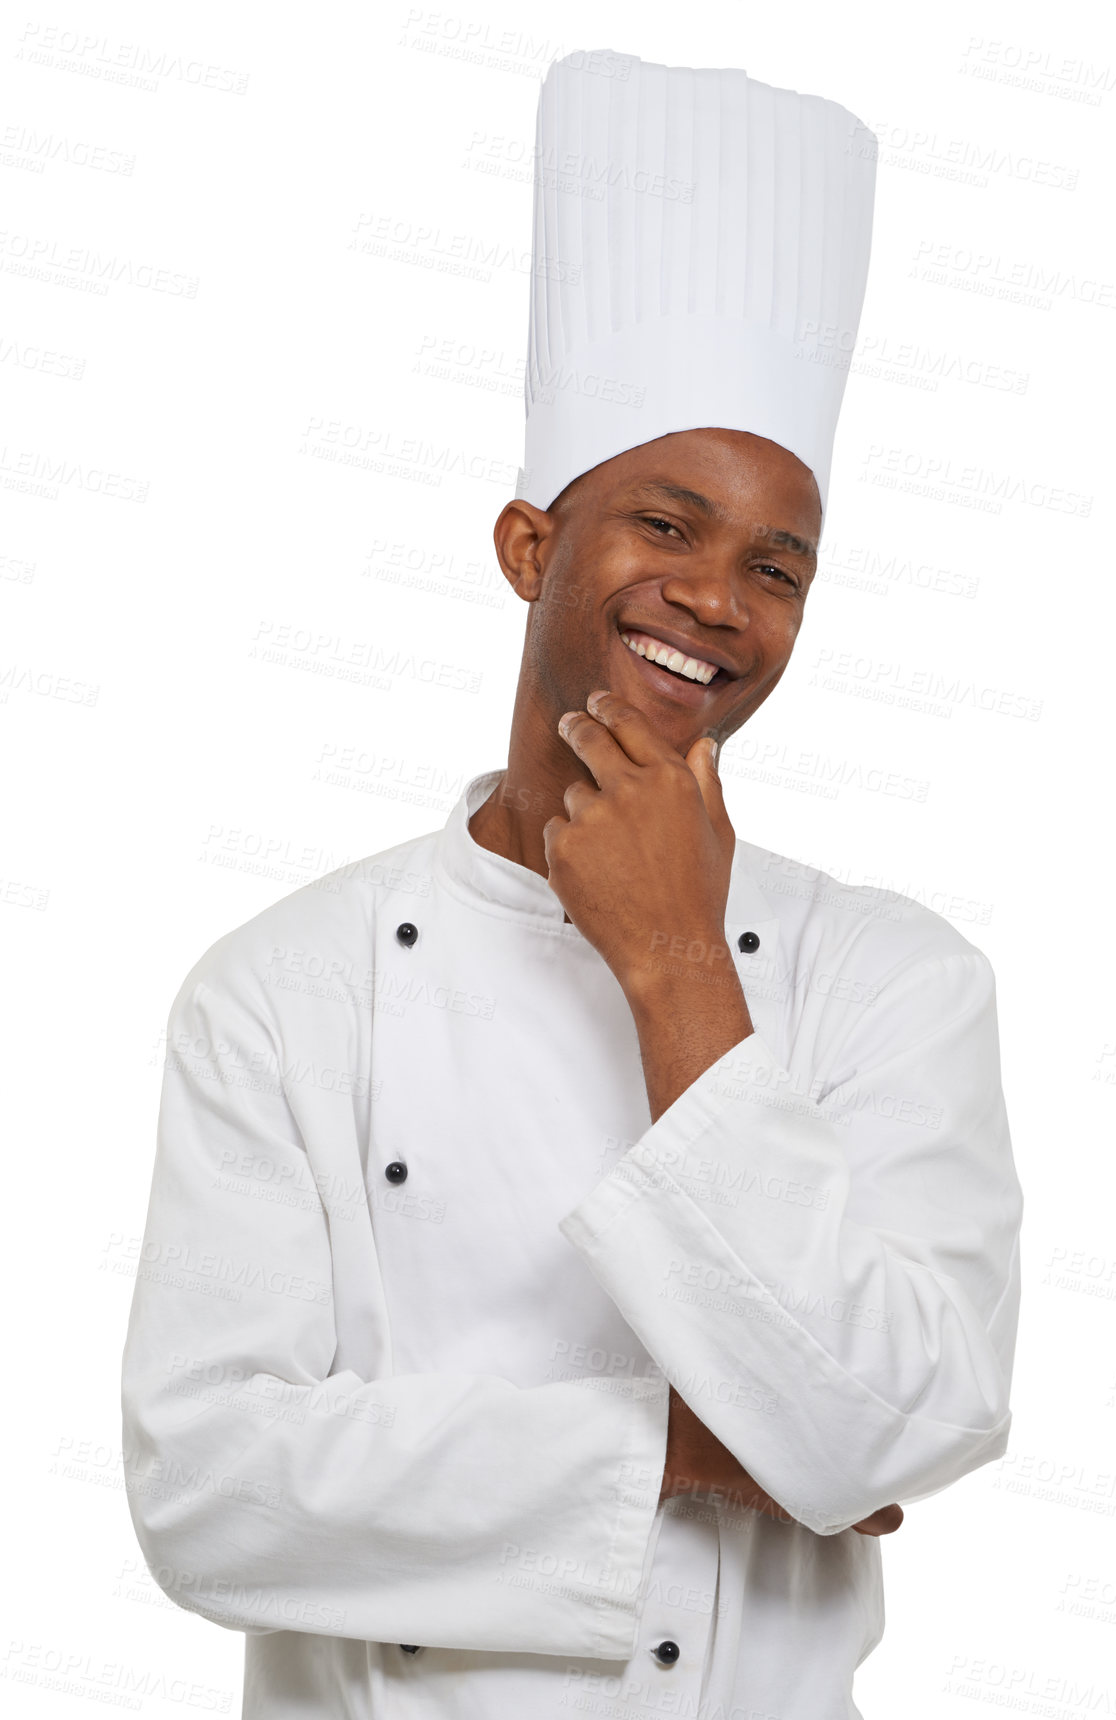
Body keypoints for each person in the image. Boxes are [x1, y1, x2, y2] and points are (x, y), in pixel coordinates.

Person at [121, 47, 1023, 1720]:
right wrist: (682, 1446)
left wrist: (677, 953)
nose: (713, 600)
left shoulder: (896, 981)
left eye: (774, 566)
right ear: (532, 547)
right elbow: (205, 1494)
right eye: (662, 525)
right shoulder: (284, 988)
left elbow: (897, 1425)